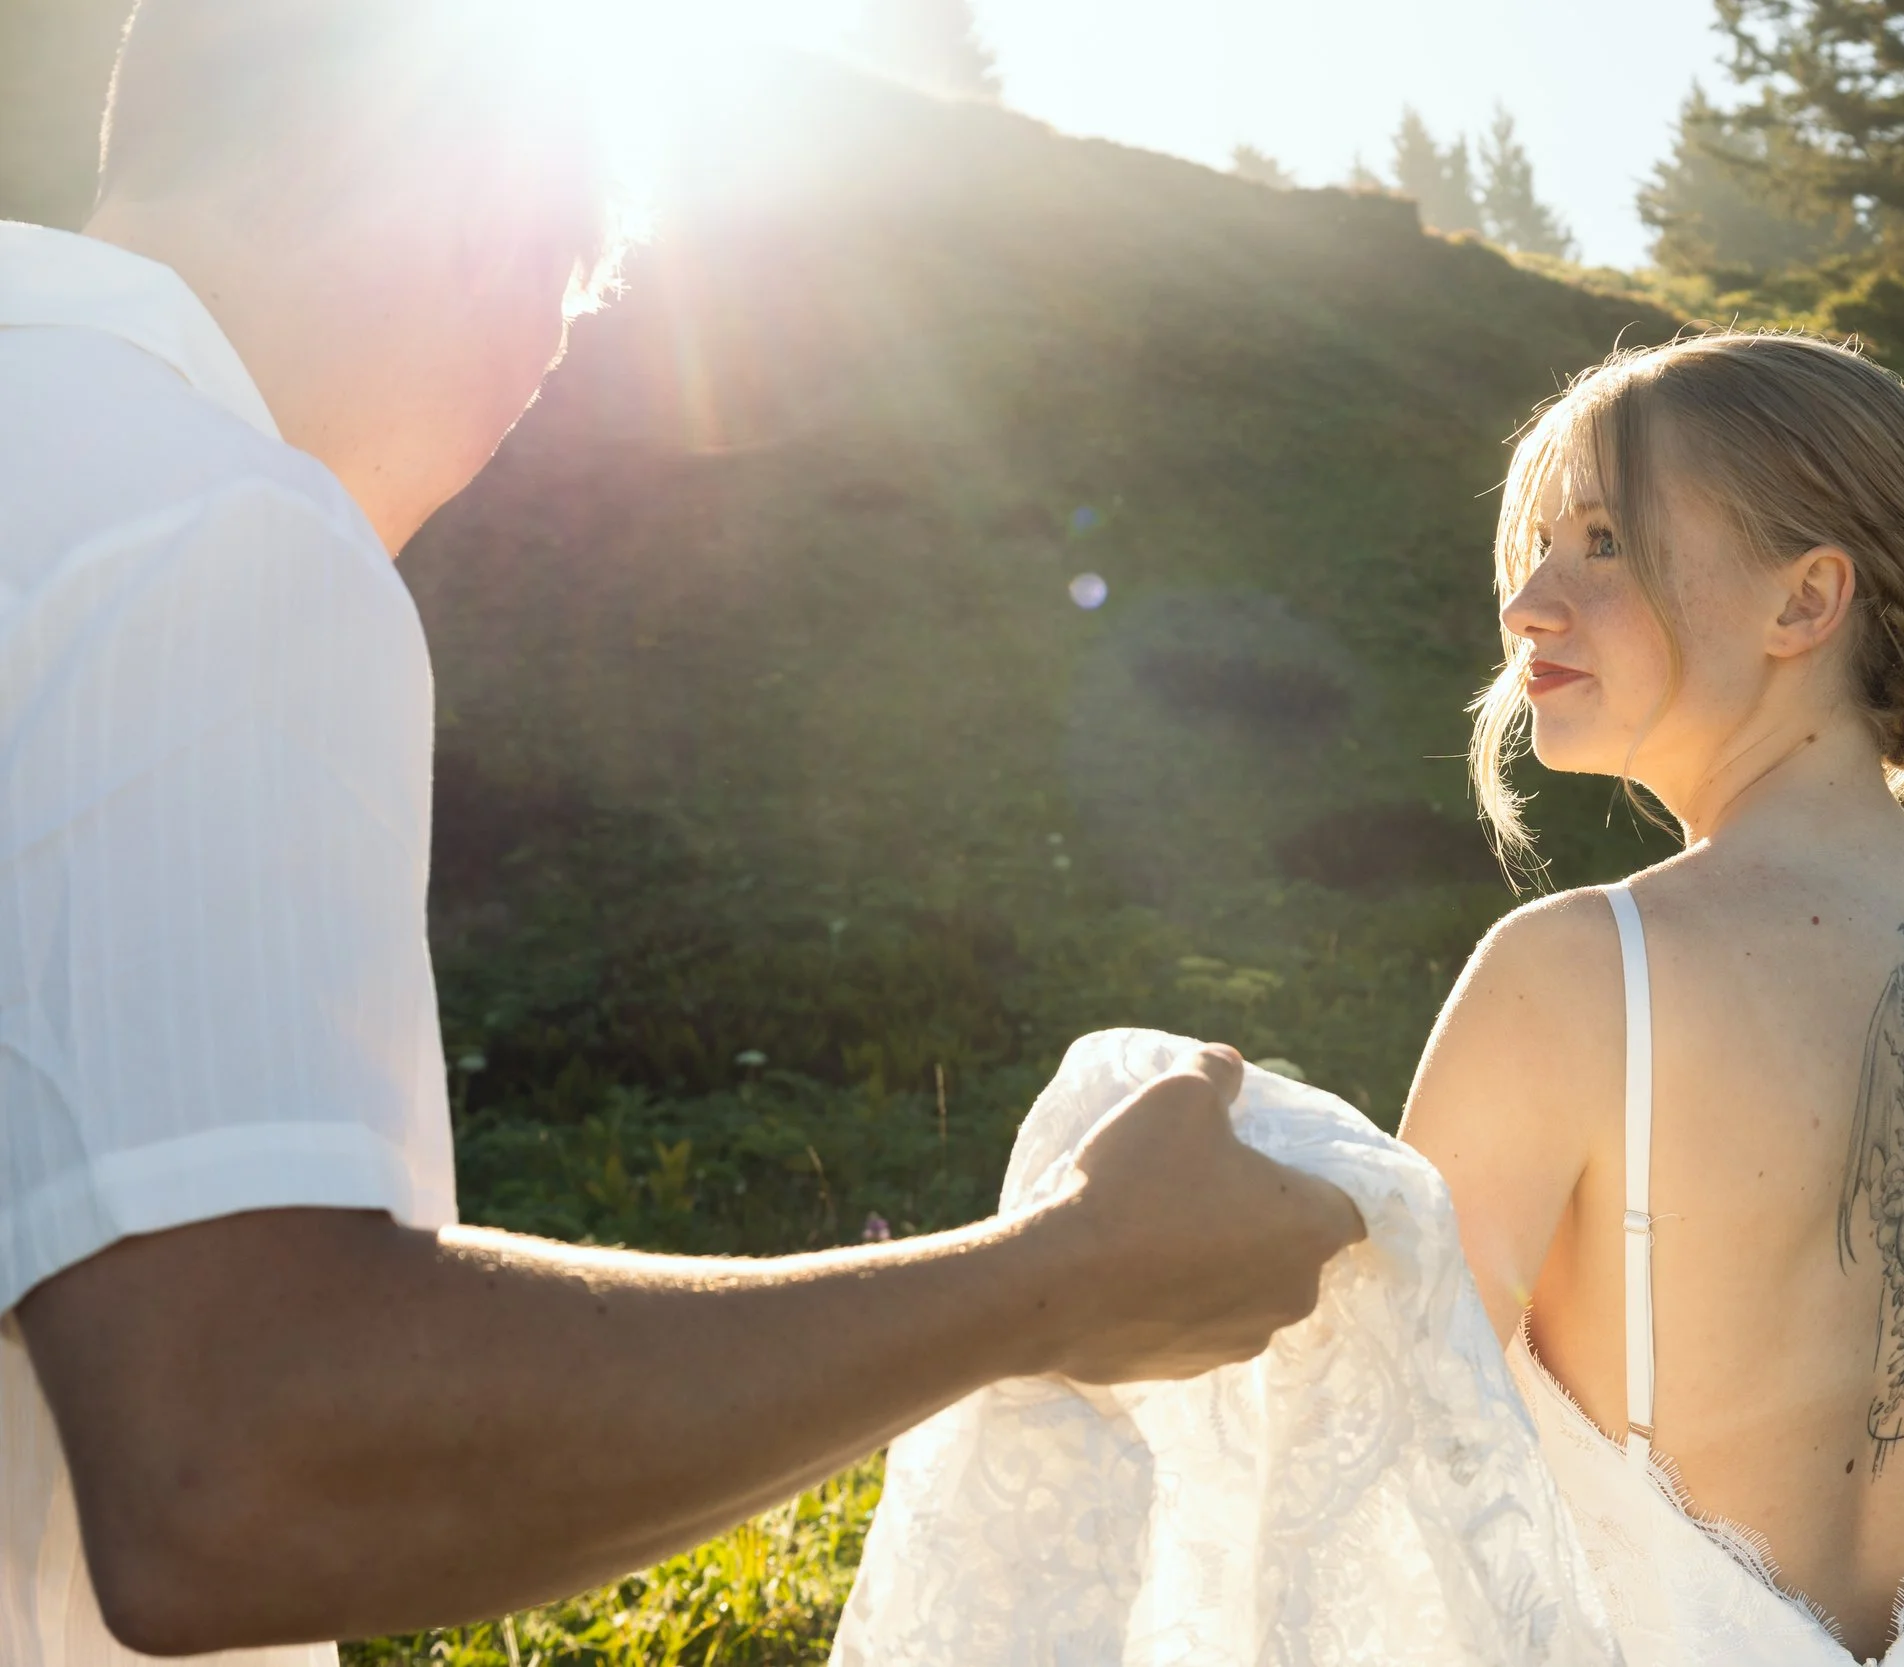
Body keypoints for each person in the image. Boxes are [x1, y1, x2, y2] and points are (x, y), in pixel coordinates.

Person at [0, 4, 1360, 1662]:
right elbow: (246, 1461)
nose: (513, 410)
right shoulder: (218, 525)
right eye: (562, 316)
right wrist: (1057, 1277)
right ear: (487, 219)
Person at [1400, 334, 1904, 1666]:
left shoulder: (1574, 974)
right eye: (1538, 546)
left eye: (1604, 542)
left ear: (1805, 601)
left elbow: (1390, 1466)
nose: (1528, 600)